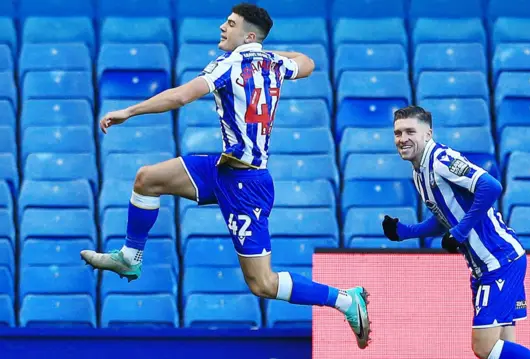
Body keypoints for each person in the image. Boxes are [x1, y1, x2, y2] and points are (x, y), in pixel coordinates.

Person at [81, 3, 371, 348]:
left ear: (247, 35)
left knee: (262, 284)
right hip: (222, 168)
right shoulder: (275, 64)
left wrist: (129, 110)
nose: (222, 27)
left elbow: (180, 96)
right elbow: (307, 63)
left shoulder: (228, 65)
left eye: (230, 24)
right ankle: (130, 257)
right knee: (147, 179)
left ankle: (344, 299)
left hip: (246, 185)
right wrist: (264, 51)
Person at [381, 106, 530, 359]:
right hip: (485, 266)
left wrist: (461, 231)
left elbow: (490, 187)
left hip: (499, 260)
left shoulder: (441, 160)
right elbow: (447, 218)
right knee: (500, 348)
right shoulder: (418, 172)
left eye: (411, 131)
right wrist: (406, 232)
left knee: (483, 348)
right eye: (398, 133)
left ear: (428, 134)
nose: (403, 139)